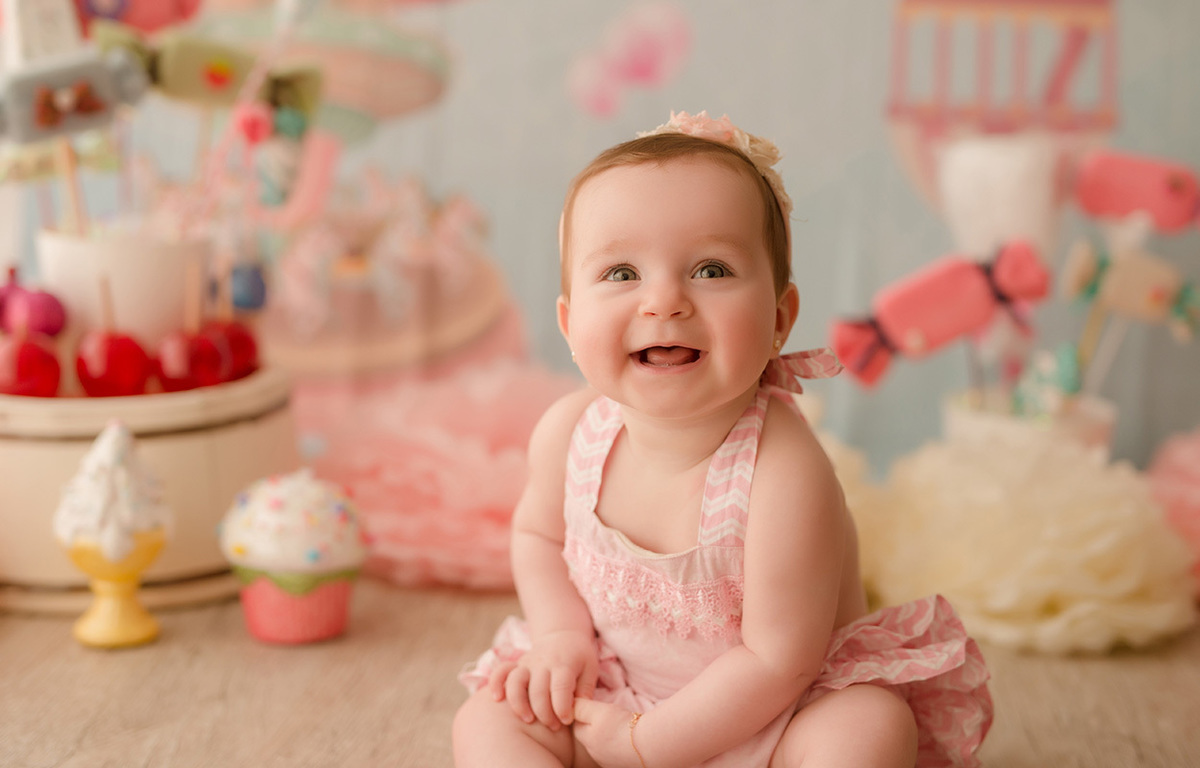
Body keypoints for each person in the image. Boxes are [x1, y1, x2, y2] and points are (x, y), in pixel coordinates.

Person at [453, 111, 993, 768]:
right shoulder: (569, 434)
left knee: (865, 733)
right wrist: (561, 636)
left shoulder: (785, 473)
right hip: (615, 690)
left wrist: (646, 745)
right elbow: (537, 537)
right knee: (489, 720)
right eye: (622, 273)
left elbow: (778, 660)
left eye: (710, 269)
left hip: (773, 716)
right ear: (569, 324)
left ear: (779, 318)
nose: (664, 301)